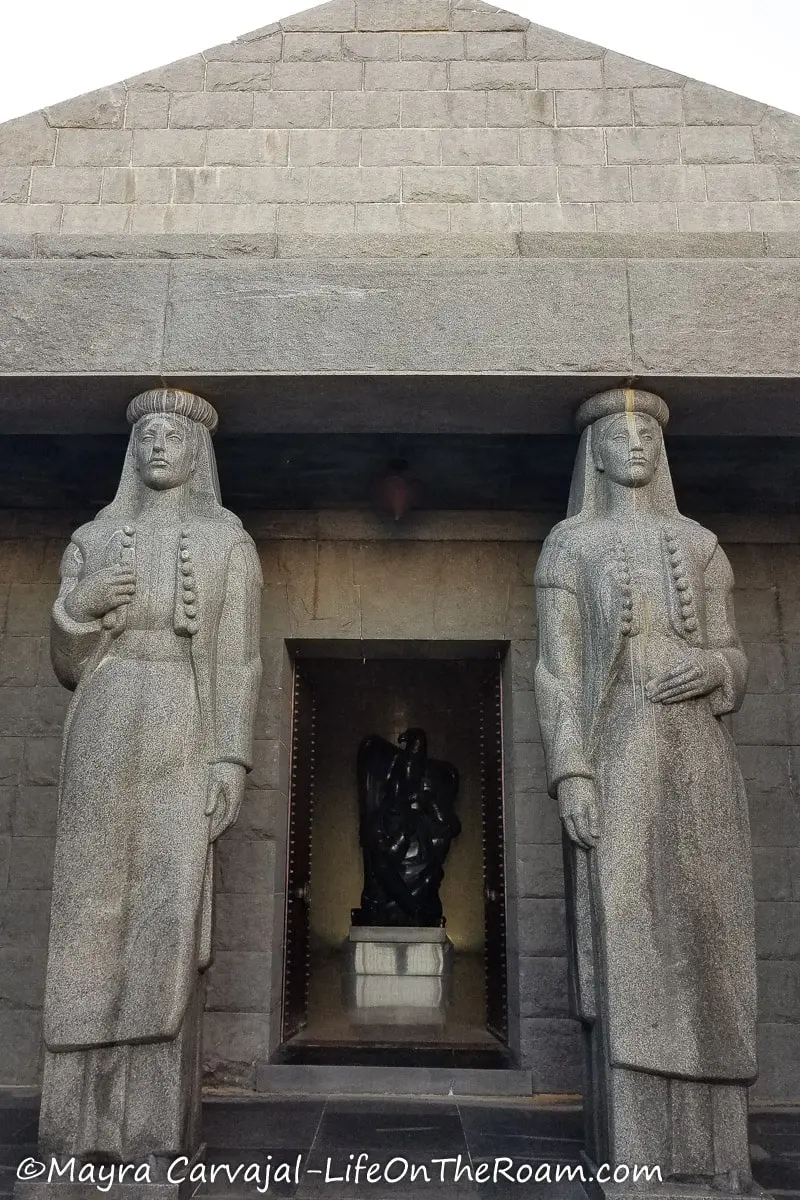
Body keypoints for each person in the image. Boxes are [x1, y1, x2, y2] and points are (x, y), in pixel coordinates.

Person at [534, 388, 757, 1189]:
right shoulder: (570, 547)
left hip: (698, 753)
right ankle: (641, 1152)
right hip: (620, 746)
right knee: (632, 939)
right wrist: (572, 772)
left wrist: (721, 668)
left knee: (709, 936)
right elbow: (557, 673)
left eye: (646, 432)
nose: (633, 442)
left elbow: (733, 652)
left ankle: (718, 1152)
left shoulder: (699, 544)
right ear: (592, 451)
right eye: (617, 431)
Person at [39, 388, 262, 1165]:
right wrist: (80, 609)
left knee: (164, 907)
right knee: (88, 905)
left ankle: (146, 1124)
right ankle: (74, 1121)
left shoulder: (228, 544)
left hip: (181, 718)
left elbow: (238, 660)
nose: (158, 446)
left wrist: (229, 757)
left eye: (173, 435)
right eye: (147, 436)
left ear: (197, 451)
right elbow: (67, 665)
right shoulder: (91, 539)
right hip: (105, 714)